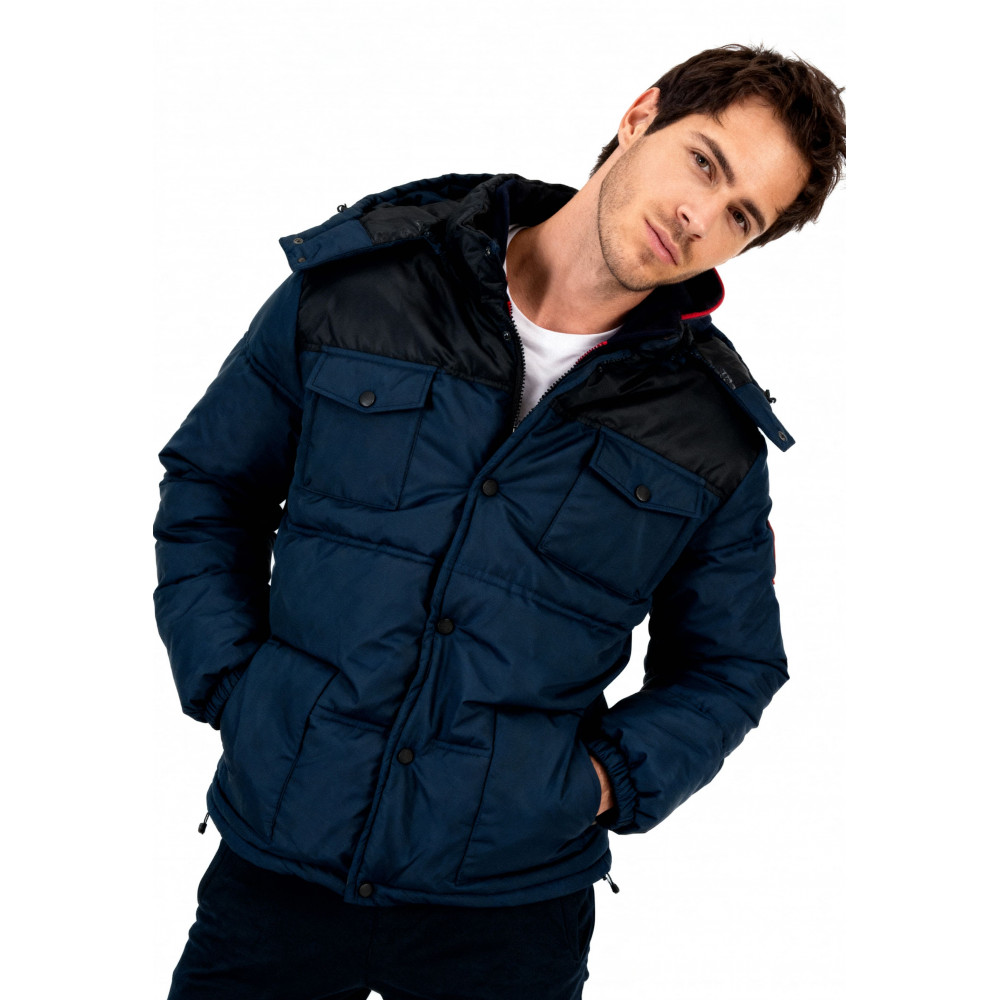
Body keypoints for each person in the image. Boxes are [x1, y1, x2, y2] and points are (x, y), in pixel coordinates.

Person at [154, 43, 846, 1000]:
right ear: (641, 115)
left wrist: (597, 784)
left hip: (508, 914)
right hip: (278, 859)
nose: (699, 216)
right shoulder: (364, 284)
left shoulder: (710, 435)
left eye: (741, 216)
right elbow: (211, 486)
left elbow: (733, 663)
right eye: (704, 162)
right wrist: (235, 685)